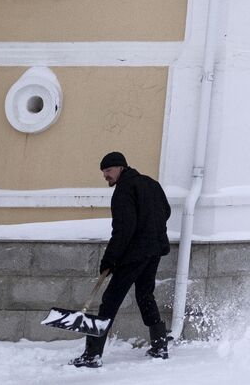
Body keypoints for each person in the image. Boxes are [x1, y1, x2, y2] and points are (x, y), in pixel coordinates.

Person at [69, 152, 173, 368]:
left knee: (110, 301)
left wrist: (110, 259)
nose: (105, 176)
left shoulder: (123, 190)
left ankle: (92, 354)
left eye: (108, 171)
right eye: (103, 172)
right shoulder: (151, 184)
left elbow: (123, 229)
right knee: (145, 294)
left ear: (120, 168)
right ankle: (160, 344)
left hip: (134, 253)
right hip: (153, 251)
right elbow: (167, 211)